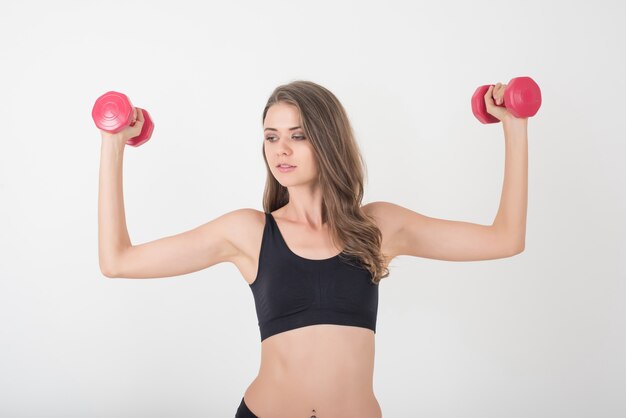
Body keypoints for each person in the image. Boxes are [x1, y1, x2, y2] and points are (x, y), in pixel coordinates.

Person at [97, 80, 528, 418]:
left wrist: (515, 123)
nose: (281, 149)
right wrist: (113, 143)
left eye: (298, 136)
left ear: (327, 140)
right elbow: (117, 261)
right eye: (270, 136)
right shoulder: (249, 232)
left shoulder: (378, 227)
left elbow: (505, 239)